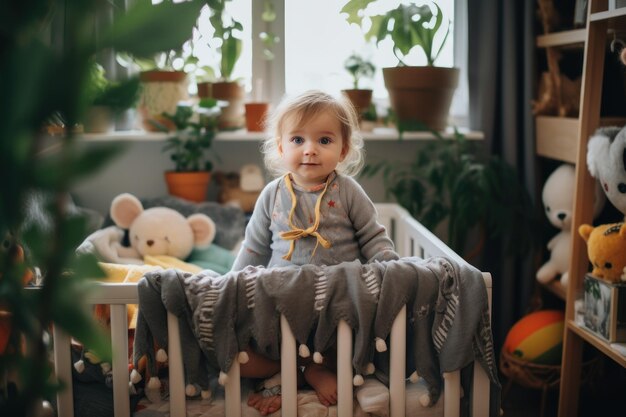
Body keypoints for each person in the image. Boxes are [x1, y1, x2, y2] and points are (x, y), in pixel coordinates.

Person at [232, 90, 399, 415]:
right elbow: (253, 247)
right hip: (283, 296)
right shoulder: (272, 194)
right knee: (238, 352)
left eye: (324, 140)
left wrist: (393, 271)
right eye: (297, 140)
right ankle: (295, 369)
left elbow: (374, 238)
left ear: (343, 149)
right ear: (281, 147)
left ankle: (318, 371)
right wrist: (231, 287)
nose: (309, 150)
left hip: (335, 296)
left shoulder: (348, 191)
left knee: (359, 328)